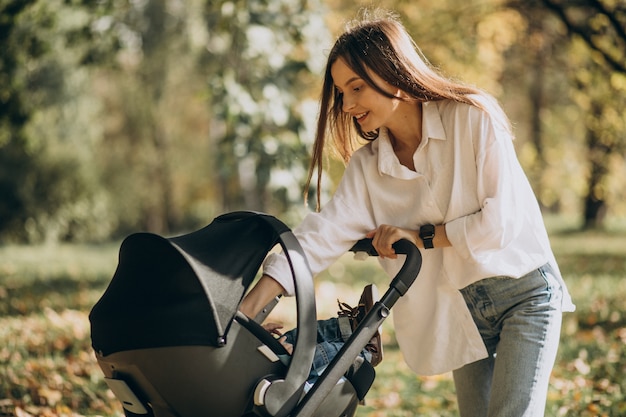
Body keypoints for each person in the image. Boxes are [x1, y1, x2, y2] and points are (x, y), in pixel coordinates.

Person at [240, 8, 575, 417]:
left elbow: (500, 222)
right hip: (460, 314)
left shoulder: (473, 118)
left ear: (392, 73)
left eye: (356, 87)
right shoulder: (367, 169)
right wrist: (245, 313)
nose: (346, 105)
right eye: (341, 92)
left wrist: (423, 236)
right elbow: (318, 237)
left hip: (524, 295)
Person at [262, 284, 382, 384]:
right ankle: (366, 352)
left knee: (293, 337)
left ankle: (348, 328)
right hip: (278, 376)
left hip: (259, 356)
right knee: (306, 355)